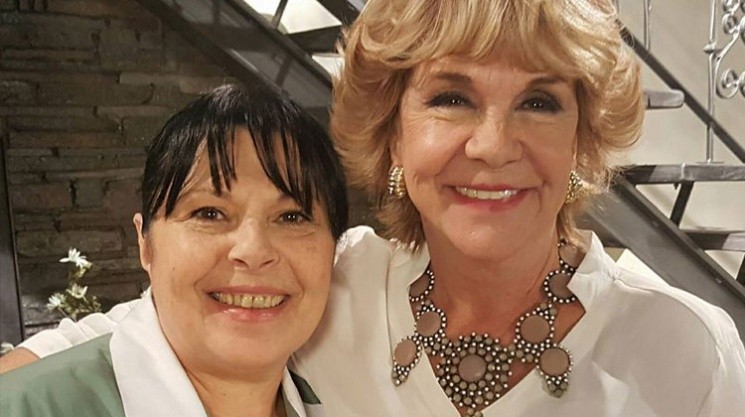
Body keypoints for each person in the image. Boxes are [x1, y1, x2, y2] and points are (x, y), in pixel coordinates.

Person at [3, 1, 745, 416]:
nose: (492, 145)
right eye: (451, 97)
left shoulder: (684, 349)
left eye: (539, 102)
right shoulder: (337, 281)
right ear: (392, 130)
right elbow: (139, 329)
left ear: (581, 137)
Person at [0, 85, 348, 417]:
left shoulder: (346, 398)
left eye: (292, 217)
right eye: (209, 213)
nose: (253, 250)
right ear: (145, 244)